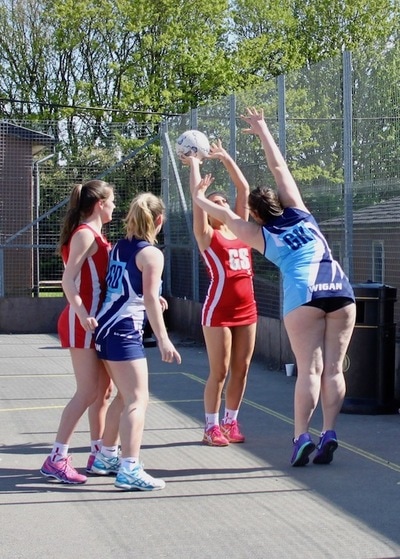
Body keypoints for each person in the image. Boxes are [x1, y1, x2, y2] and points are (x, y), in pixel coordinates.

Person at [191, 107, 356, 466]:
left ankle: (301, 437)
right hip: (340, 288)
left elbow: (213, 209)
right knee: (333, 369)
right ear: (279, 202)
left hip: (305, 294)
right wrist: (262, 129)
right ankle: (329, 432)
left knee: (309, 370)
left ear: (255, 215)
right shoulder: (300, 211)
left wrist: (195, 175)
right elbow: (279, 167)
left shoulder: (258, 234)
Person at [93, 192, 181, 491]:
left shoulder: (121, 246)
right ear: (159, 220)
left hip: (106, 326)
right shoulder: (151, 254)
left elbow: (132, 289)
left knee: (124, 396)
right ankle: (129, 468)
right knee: (137, 399)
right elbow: (149, 298)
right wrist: (164, 339)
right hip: (123, 329)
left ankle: (106, 457)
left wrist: (151, 299)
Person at [40, 179, 117, 484]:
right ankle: (56, 458)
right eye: (112, 201)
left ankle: (98, 454)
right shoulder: (85, 234)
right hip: (82, 321)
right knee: (87, 392)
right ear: (100, 204)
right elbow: (68, 280)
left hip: (96, 321)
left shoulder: (97, 234)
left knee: (104, 392)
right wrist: (84, 314)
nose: (115, 206)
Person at [183, 140, 257, 447]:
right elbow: (196, 199)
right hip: (219, 310)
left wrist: (226, 157)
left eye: (224, 201)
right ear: (209, 210)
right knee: (220, 370)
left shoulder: (242, 229)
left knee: (242, 367)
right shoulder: (207, 235)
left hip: (247, 308)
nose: (222, 203)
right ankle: (210, 426)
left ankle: (231, 421)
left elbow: (244, 189)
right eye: (215, 202)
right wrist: (194, 164)